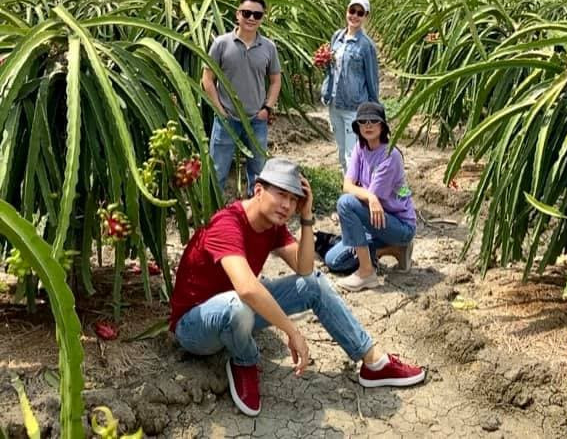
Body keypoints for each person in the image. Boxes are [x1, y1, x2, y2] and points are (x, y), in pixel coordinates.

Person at [169, 157, 426, 417]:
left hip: (238, 314)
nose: (287, 205)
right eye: (281, 195)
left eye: (293, 200)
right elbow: (247, 288)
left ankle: (373, 362)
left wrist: (306, 217)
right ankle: (245, 360)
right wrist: (293, 332)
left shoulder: (273, 226)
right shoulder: (227, 223)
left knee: (312, 284)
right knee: (238, 306)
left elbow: (304, 270)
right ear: (258, 190)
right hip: (195, 327)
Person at [325, 102, 417, 292]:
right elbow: (347, 185)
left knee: (346, 203)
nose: (368, 125)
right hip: (375, 220)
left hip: (398, 225)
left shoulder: (390, 156)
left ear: (382, 125)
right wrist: (370, 197)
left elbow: (354, 196)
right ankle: (392, 249)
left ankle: (367, 272)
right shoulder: (361, 147)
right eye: (363, 121)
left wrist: (370, 197)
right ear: (357, 126)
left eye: (373, 121)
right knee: (334, 260)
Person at [202, 0, 281, 196]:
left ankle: (254, 212)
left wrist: (267, 108)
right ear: (238, 14)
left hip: (257, 119)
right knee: (217, 169)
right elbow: (207, 79)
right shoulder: (221, 44)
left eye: (257, 14)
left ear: (263, 17)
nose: (251, 18)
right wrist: (220, 111)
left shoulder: (269, 48)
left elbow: (275, 80)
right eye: (247, 13)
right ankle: (212, 212)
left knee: (258, 170)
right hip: (227, 118)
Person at [321, 0, 379, 173]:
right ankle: (350, 187)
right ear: (346, 11)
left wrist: (374, 109)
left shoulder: (366, 46)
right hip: (334, 102)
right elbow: (332, 69)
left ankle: (356, 191)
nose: (354, 16)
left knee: (351, 153)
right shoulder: (336, 37)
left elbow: (372, 78)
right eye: (352, 11)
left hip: (355, 106)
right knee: (341, 151)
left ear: (366, 16)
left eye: (360, 13)